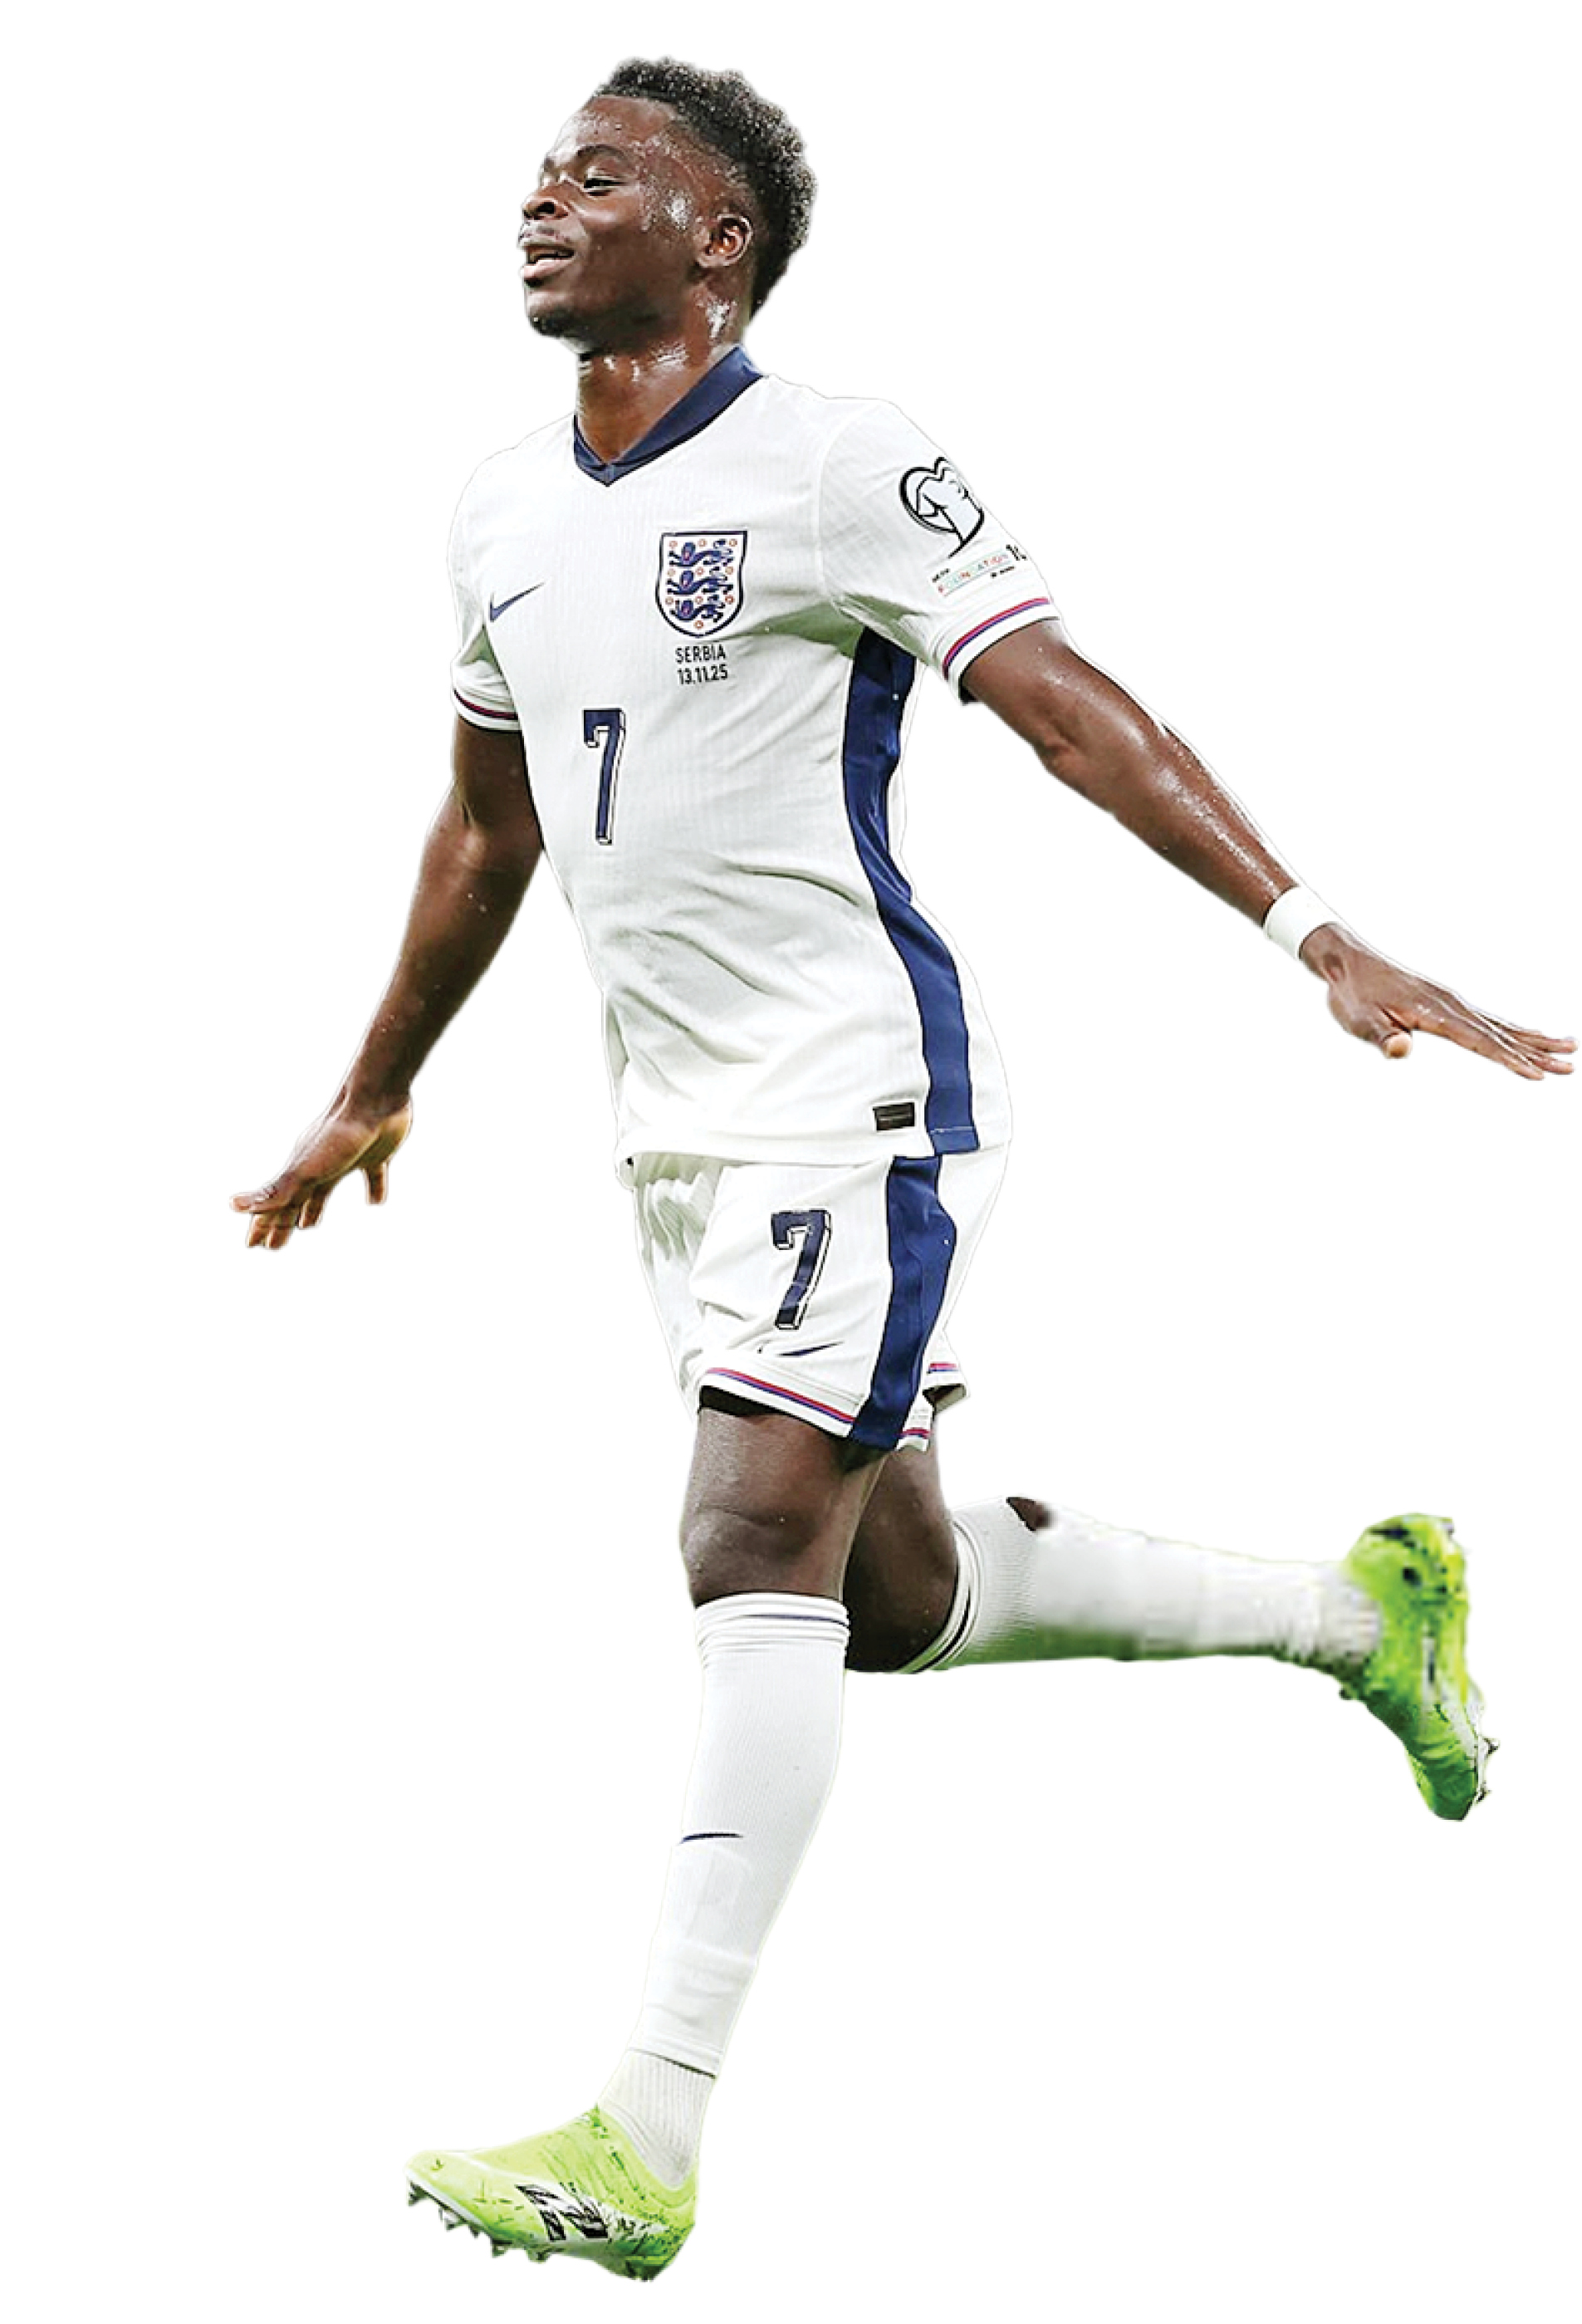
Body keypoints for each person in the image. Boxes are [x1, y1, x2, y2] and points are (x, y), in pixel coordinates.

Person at [233, 57, 1572, 2283]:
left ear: (719, 239)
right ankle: (1361, 1614)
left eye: (601, 173)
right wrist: (373, 1086)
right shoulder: (499, 509)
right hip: (674, 1130)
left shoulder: (838, 461)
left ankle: (646, 2134)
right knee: (887, 1598)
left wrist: (1313, 931)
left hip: (853, 1100)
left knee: (744, 1541)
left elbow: (1068, 705)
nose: (544, 197)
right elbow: (487, 825)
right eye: (541, 170)